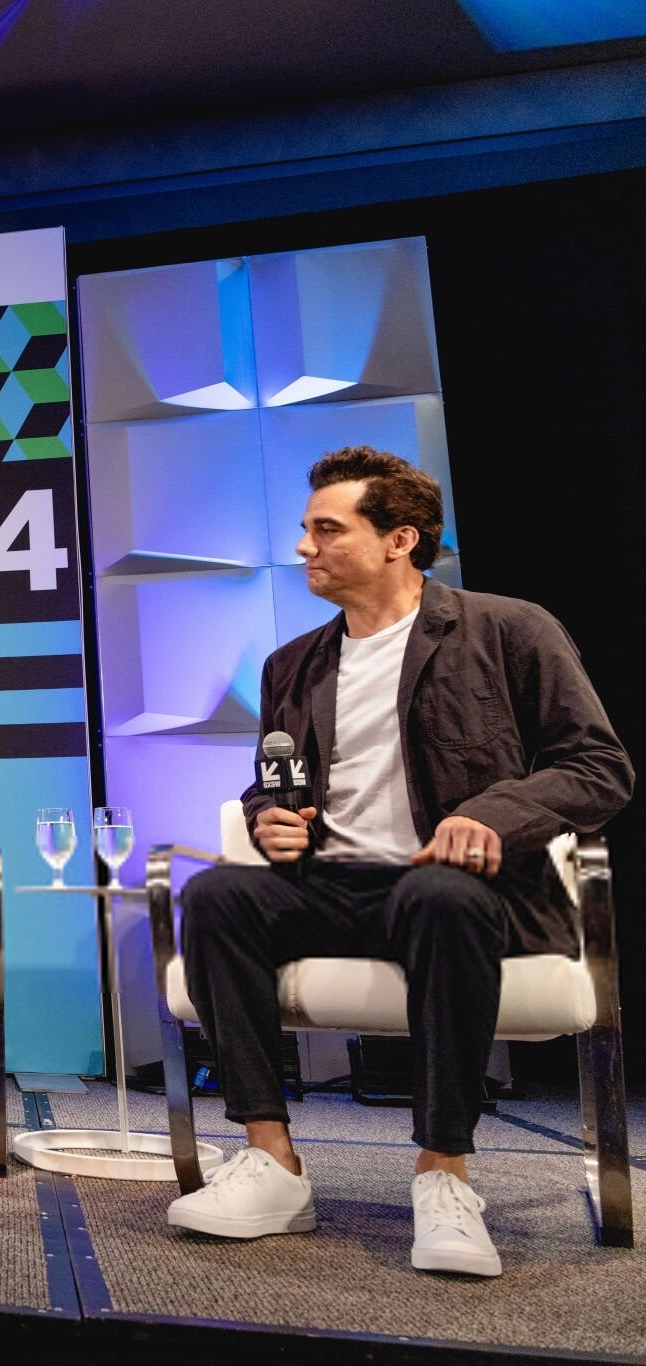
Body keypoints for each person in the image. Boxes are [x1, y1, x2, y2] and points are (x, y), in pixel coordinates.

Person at [168, 447, 631, 1277]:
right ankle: (272, 1162)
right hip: (334, 886)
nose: (304, 546)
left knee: (439, 896)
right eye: (305, 529)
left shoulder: (509, 629)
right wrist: (272, 818)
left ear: (400, 539)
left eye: (327, 529)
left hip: (461, 890)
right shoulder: (292, 664)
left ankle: (444, 1174)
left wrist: (491, 814)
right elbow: (270, 783)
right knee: (215, 896)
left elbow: (599, 768)